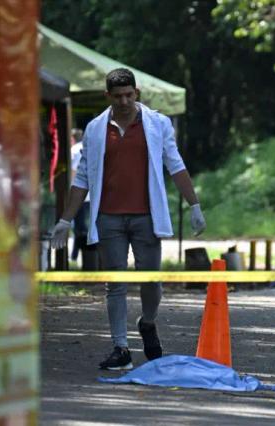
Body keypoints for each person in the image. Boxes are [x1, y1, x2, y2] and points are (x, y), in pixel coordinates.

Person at [50, 68, 206, 370]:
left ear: (137, 94)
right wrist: (66, 219)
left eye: (129, 95)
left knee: (151, 282)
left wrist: (194, 205)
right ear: (108, 96)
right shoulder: (96, 129)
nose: (124, 101)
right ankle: (120, 347)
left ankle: (147, 322)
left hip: (146, 215)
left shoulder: (157, 124)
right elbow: (82, 177)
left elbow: (175, 165)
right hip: (108, 217)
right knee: (116, 284)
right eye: (118, 96)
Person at [69, 128, 89, 263]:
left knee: (79, 226)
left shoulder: (74, 150)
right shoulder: (88, 147)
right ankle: (77, 255)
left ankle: (76, 255)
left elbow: (73, 171)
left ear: (72, 138)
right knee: (83, 226)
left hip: (78, 193)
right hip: (90, 195)